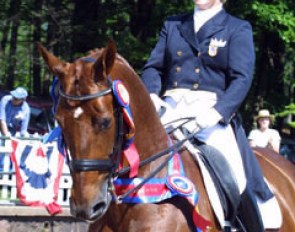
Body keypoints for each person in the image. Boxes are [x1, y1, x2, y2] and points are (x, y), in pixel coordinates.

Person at [141, 0, 281, 230]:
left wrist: (217, 112)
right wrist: (152, 95)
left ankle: (243, 225)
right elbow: (153, 67)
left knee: (236, 175)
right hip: (170, 110)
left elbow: (242, 78)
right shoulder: (174, 24)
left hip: (211, 114)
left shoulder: (236, 28)